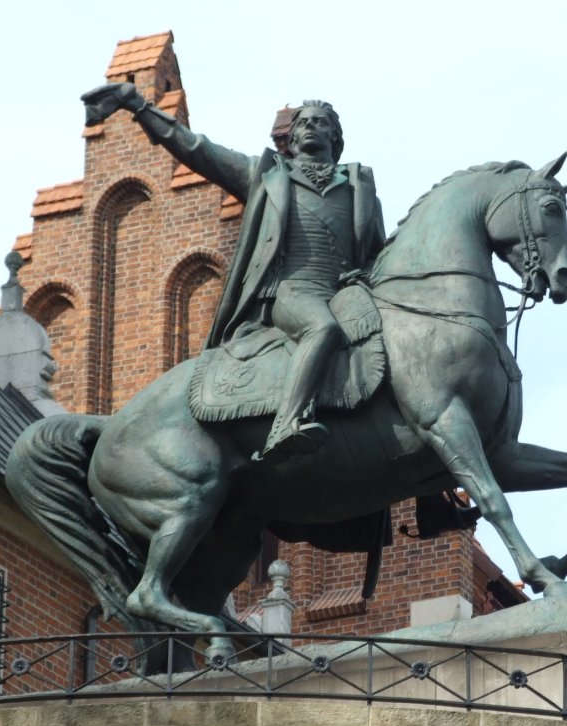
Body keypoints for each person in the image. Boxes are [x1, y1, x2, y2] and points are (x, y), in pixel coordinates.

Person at [82, 84, 385, 460]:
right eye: (302, 123)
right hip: (291, 292)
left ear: (334, 136)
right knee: (322, 329)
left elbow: (376, 255)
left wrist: (365, 276)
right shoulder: (269, 176)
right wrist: (140, 107)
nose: (310, 127)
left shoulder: (359, 189)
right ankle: (285, 424)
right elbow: (197, 150)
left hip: (343, 293)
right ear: (290, 138)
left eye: (320, 123)